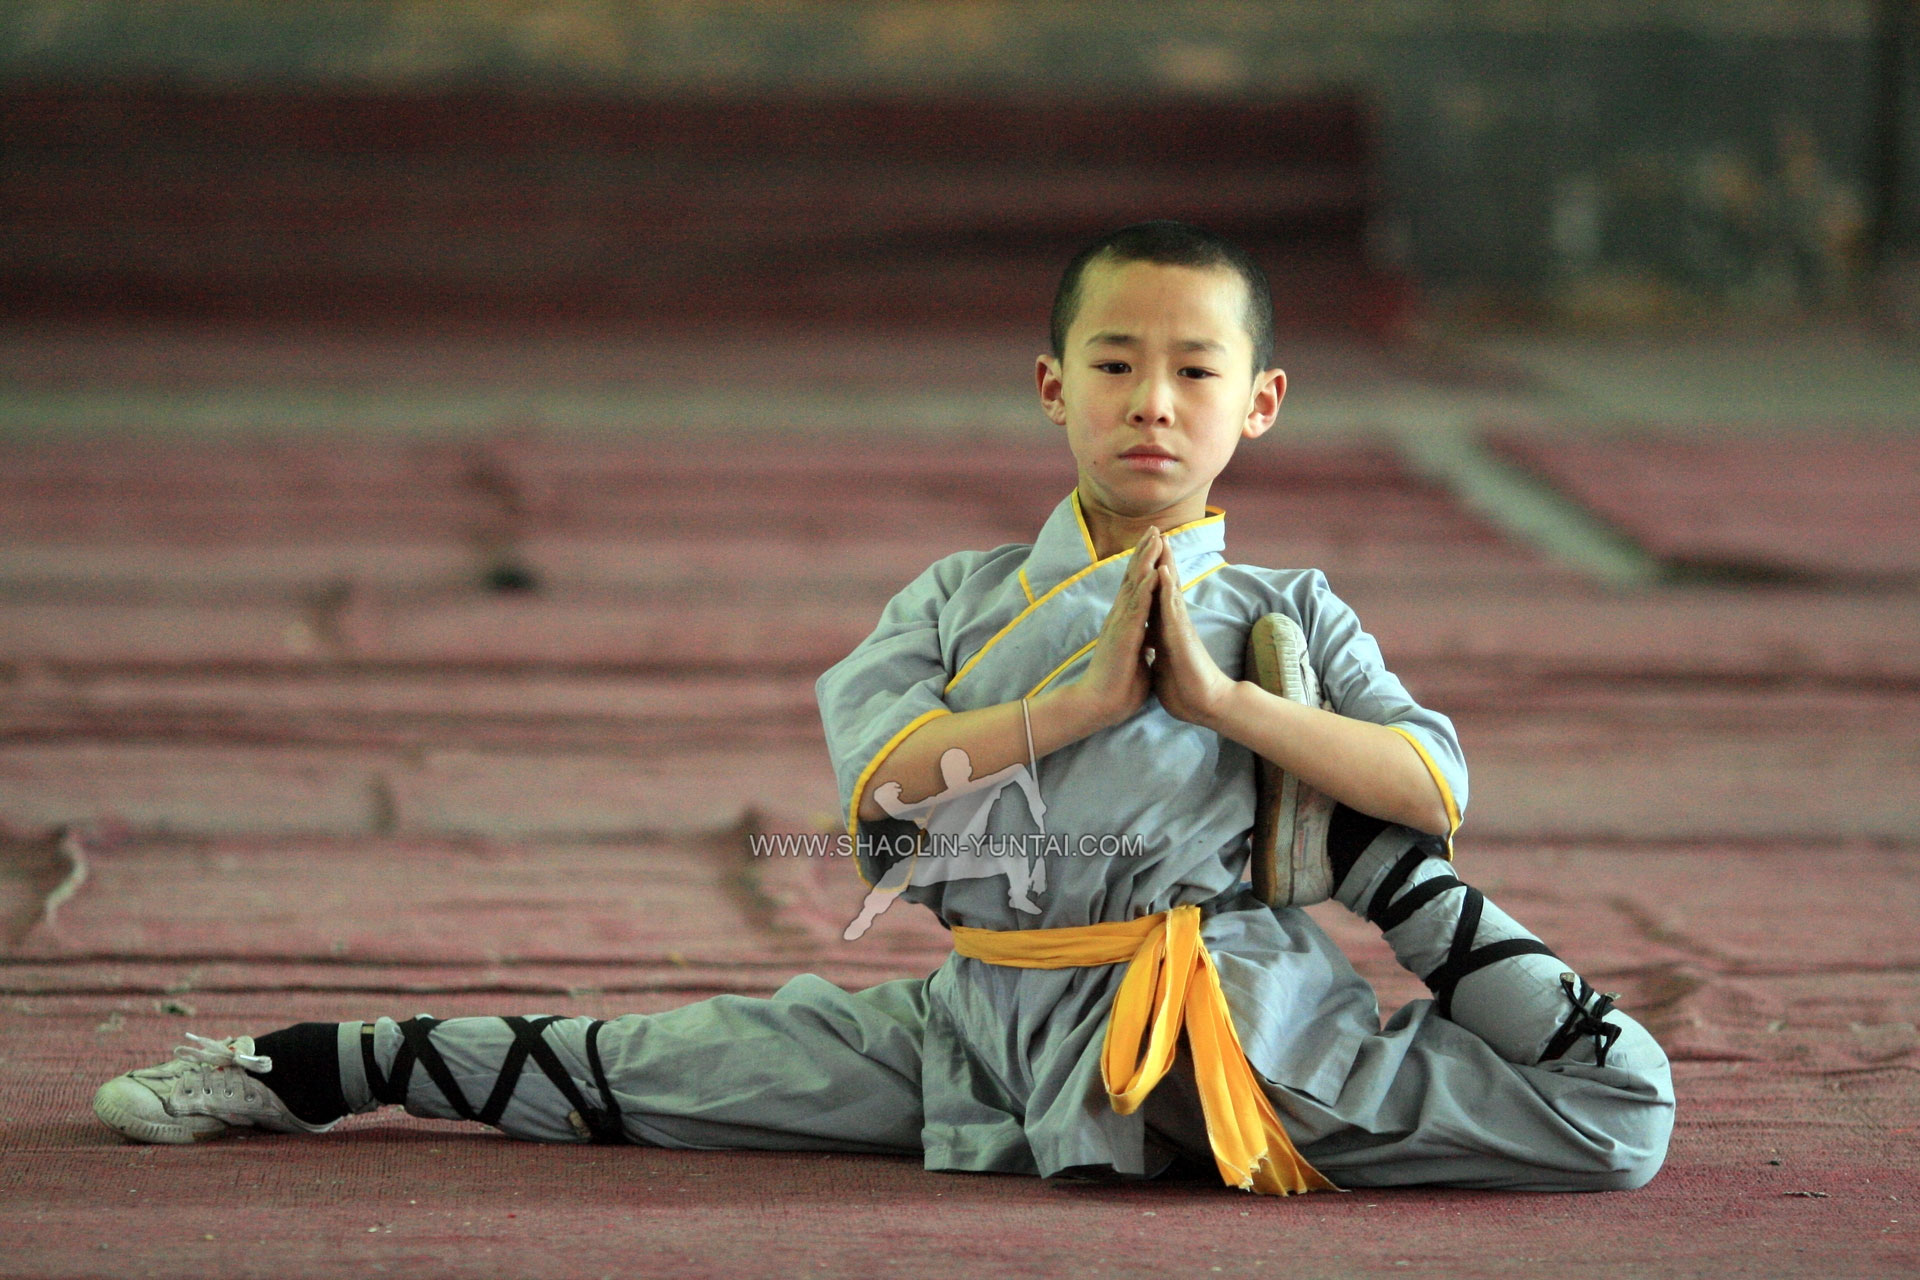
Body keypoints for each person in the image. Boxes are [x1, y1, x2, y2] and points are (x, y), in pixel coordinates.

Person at [92, 221, 1673, 1194]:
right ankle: (309, 1066)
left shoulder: (1294, 618)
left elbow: (1429, 776)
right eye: (1115, 364)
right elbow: (882, 816)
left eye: (1196, 371)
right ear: (1052, 383)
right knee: (658, 1076)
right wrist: (1075, 703)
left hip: (1225, 1027)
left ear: (1258, 403)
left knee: (1618, 1118)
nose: (1153, 402)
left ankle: (1382, 903)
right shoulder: (954, 601)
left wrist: (1225, 706)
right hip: (976, 1019)